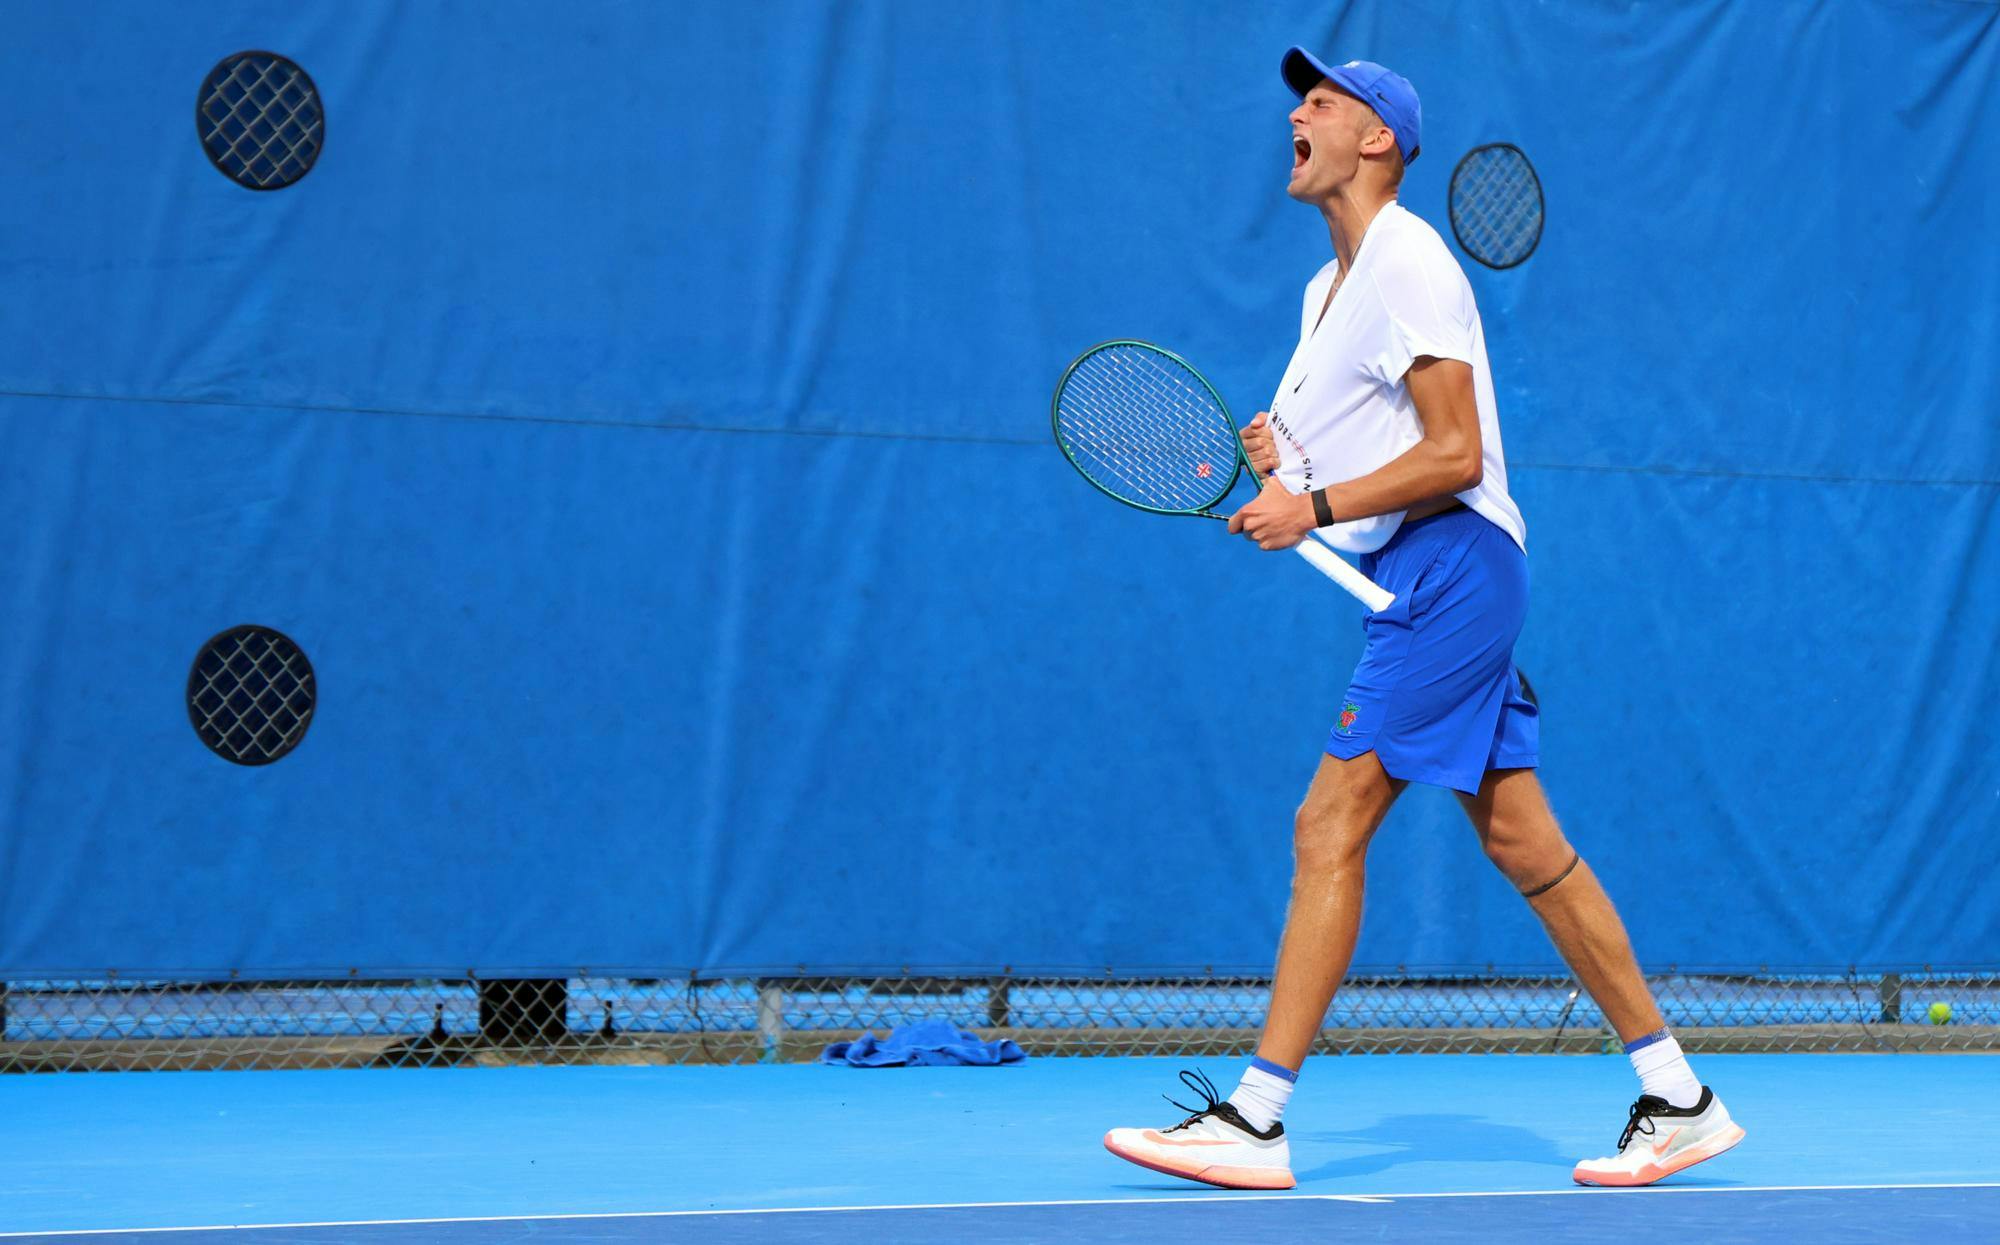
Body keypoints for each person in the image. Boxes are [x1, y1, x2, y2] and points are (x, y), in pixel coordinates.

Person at [1102, 49, 1744, 1191]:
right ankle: (1678, 1097)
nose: (1295, 114)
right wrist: (1285, 467)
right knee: (1522, 842)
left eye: (1320, 101)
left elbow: (1453, 454)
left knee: (1327, 821)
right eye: (1297, 100)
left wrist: (1312, 505)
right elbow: (1354, 462)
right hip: (1418, 568)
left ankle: (1255, 1120)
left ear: (1376, 140)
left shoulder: (1409, 260)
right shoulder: (1322, 294)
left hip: (1454, 567)